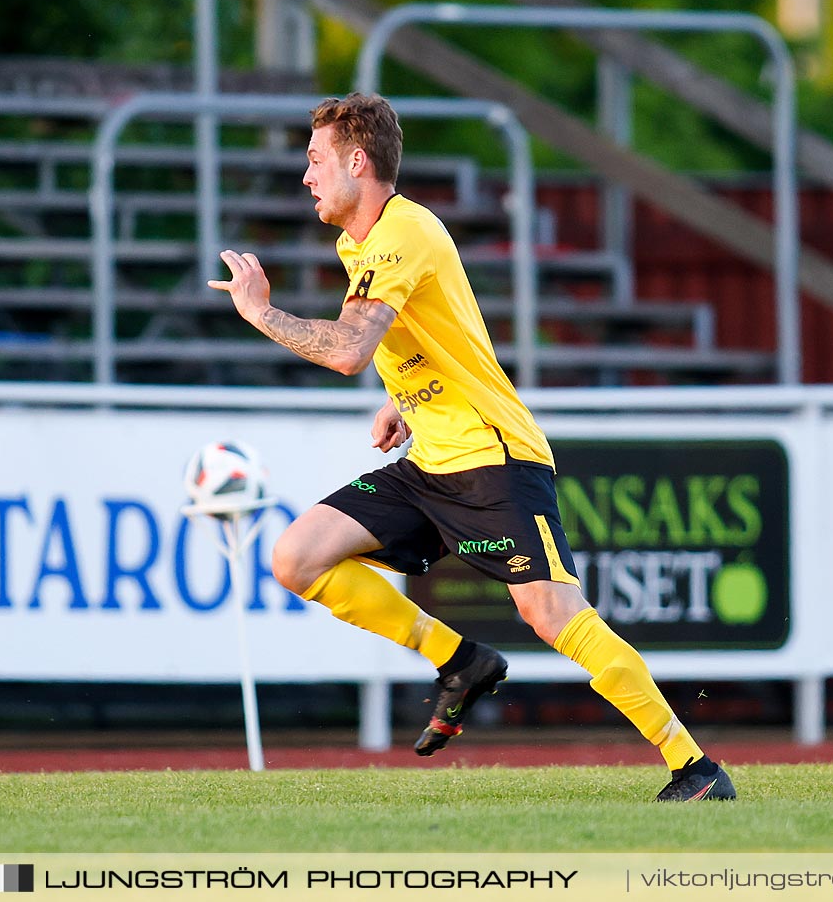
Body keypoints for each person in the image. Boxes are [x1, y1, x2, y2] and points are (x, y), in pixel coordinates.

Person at [208, 93, 734, 801]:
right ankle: (459, 659)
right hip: (433, 462)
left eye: (315, 160)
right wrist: (403, 397)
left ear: (357, 162)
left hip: (494, 460)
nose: (306, 176)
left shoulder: (403, 232)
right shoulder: (360, 240)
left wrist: (260, 311)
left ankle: (694, 766)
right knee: (296, 556)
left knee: (551, 613)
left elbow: (347, 350)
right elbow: (435, 327)